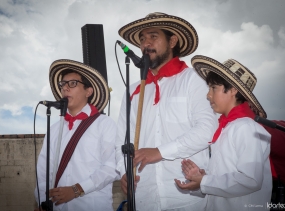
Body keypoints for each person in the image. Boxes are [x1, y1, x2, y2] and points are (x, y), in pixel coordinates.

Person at [115, 12, 217, 210]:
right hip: (144, 197)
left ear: (173, 41)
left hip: (186, 197)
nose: (146, 43)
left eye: (153, 36)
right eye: (142, 39)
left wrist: (160, 152)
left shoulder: (194, 79)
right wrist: (123, 171)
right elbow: (121, 139)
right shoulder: (133, 90)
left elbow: (208, 129)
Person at [175, 55, 272, 211]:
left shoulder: (247, 128)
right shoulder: (227, 128)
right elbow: (226, 178)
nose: (208, 95)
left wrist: (205, 181)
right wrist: (201, 178)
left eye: (213, 88)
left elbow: (250, 179)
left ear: (233, 90)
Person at [34, 60, 118, 211]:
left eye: (72, 83)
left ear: (88, 91)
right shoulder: (54, 130)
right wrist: (42, 201)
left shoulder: (105, 124)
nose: (65, 88)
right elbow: (43, 173)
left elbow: (112, 167)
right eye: (63, 84)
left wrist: (77, 189)